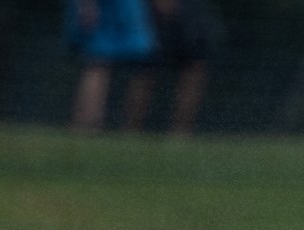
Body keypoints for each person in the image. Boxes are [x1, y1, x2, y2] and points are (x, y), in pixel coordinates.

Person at [122, 0, 218, 136]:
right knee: (145, 72)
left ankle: (180, 134)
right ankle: (130, 131)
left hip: (192, 10)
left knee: (194, 69)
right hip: (164, 11)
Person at [65, 0, 155, 132]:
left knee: (143, 64)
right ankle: (86, 123)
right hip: (109, 10)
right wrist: (87, 5)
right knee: (98, 63)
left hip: (128, 10)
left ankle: (128, 127)